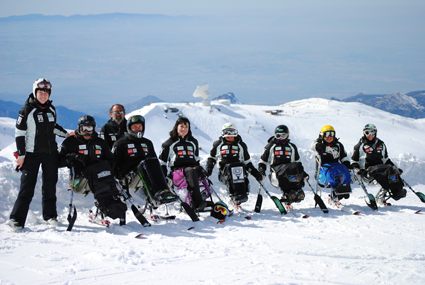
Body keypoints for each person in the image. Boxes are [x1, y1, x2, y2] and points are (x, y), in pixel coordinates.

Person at [8, 78, 73, 231]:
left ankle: (50, 216)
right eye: (40, 92)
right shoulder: (26, 111)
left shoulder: (51, 109)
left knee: (50, 186)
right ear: (35, 92)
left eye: (46, 92)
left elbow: (53, 127)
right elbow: (19, 134)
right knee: (27, 188)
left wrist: (66, 134)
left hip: (50, 154)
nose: (43, 95)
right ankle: (16, 219)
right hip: (31, 155)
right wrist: (21, 156)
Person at [58, 115, 127, 224]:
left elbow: (111, 161)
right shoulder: (71, 142)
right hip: (79, 180)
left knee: (105, 179)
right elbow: (57, 161)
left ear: (94, 128)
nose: (86, 131)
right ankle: (104, 207)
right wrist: (69, 159)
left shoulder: (100, 142)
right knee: (100, 178)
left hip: (99, 178)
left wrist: (103, 165)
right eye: (83, 128)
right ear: (79, 128)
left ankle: (113, 207)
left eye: (89, 128)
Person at [206, 123, 263, 204]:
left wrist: (256, 174)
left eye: (232, 132)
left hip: (239, 172)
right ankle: (233, 195)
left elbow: (247, 162)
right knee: (231, 167)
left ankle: (242, 194)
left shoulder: (241, 145)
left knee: (239, 167)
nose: (229, 135)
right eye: (227, 132)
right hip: (224, 174)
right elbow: (212, 158)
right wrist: (208, 170)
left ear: (236, 133)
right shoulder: (218, 144)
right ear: (223, 133)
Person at [159, 117, 206, 211]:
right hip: (176, 173)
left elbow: (196, 158)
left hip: (191, 170)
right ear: (176, 127)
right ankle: (197, 202)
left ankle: (206, 200)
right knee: (191, 171)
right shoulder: (168, 144)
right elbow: (162, 162)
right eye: (181, 126)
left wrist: (199, 168)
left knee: (197, 171)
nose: (184, 129)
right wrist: (163, 177)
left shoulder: (193, 142)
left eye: (186, 126)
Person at [351, 123, 406, 202]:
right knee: (385, 169)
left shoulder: (381, 144)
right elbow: (353, 161)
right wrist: (357, 170)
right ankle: (395, 191)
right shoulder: (359, 146)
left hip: (381, 169)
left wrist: (395, 168)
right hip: (367, 171)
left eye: (372, 132)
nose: (370, 135)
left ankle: (397, 190)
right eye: (367, 132)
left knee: (391, 170)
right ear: (364, 133)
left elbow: (385, 159)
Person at [258, 125, 308, 204]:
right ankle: (287, 193)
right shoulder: (270, 146)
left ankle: (297, 192)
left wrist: (303, 174)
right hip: (276, 171)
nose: (281, 138)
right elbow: (262, 161)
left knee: (295, 167)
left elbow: (298, 163)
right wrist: (261, 171)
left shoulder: (292, 147)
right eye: (278, 135)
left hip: (290, 170)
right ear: (275, 135)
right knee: (286, 169)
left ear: (287, 135)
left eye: (283, 135)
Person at [112, 115, 157, 188]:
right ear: (129, 128)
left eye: (140, 126)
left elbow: (154, 161)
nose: (138, 128)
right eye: (135, 126)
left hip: (147, 175)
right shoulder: (120, 144)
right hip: (128, 179)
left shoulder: (147, 143)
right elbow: (113, 164)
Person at [311, 125, 352, 201]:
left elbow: (343, 156)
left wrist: (347, 164)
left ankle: (345, 187)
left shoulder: (338, 145)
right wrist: (324, 148)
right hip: (323, 171)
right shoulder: (319, 144)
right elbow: (313, 146)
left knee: (343, 168)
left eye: (332, 134)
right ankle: (336, 190)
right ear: (322, 135)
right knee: (331, 170)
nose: (329, 137)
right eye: (326, 135)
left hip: (335, 168)